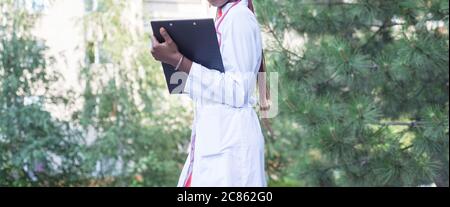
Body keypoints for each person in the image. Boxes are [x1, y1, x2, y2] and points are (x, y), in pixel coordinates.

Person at [150, 0, 269, 187]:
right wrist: (175, 61)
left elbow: (238, 92)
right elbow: (213, 89)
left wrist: (180, 61)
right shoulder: (224, 17)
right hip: (216, 143)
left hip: (232, 148)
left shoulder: (239, 18)